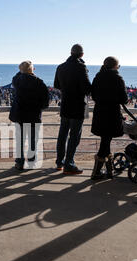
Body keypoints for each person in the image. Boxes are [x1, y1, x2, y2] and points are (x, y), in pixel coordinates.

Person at [54, 44, 92, 174]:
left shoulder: (61, 67)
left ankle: (60, 162)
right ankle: (69, 163)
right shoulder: (81, 67)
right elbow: (87, 88)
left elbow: (56, 85)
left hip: (65, 105)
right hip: (78, 106)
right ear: (81, 54)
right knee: (74, 136)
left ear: (71, 53)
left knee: (62, 134)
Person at [91, 57, 128, 180]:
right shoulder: (118, 78)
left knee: (105, 141)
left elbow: (94, 96)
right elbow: (124, 99)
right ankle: (96, 173)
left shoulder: (98, 77)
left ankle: (109, 171)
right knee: (105, 141)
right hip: (112, 114)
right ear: (115, 66)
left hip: (99, 113)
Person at [9, 61, 49, 171]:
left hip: (20, 116)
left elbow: (16, 76)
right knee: (32, 141)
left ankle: (19, 162)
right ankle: (31, 162)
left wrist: (23, 71)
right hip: (34, 116)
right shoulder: (39, 83)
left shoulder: (17, 80)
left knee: (20, 141)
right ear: (32, 69)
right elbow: (45, 103)